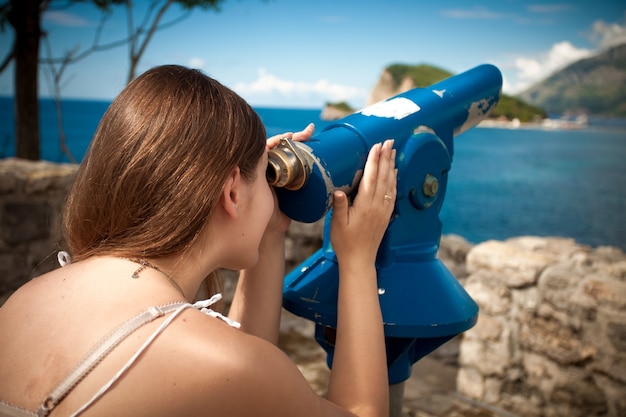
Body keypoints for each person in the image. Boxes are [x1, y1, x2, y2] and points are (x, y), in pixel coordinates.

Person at [0, 65, 397, 417]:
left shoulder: (23, 302)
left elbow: (240, 384)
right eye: (263, 176)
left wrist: (271, 230)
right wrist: (358, 259)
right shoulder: (226, 367)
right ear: (232, 194)